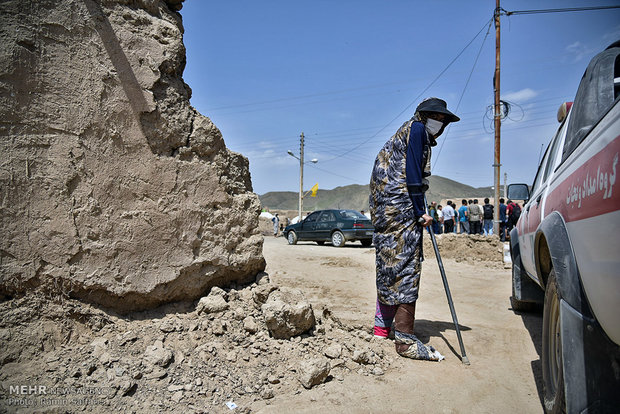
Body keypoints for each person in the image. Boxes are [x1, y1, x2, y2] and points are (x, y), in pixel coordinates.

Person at [369, 97, 459, 361]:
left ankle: (381, 327)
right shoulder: (417, 129)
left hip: (387, 208)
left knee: (389, 262)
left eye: (443, 120)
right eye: (436, 117)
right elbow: (412, 173)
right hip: (401, 207)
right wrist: (420, 210)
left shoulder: (406, 132)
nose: (439, 123)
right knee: (406, 264)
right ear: (424, 115)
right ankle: (405, 340)